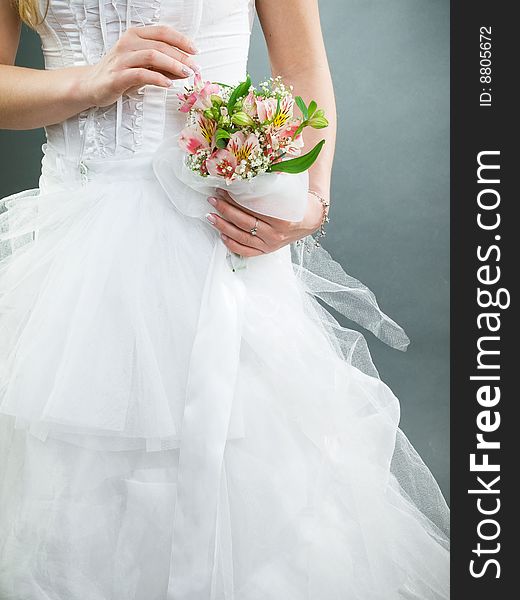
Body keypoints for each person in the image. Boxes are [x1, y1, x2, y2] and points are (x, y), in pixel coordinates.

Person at [0, 1, 449, 598]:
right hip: (68, 259)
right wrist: (87, 81)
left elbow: (303, 70)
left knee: (250, 495)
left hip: (210, 242)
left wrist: (313, 200)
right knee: (63, 491)